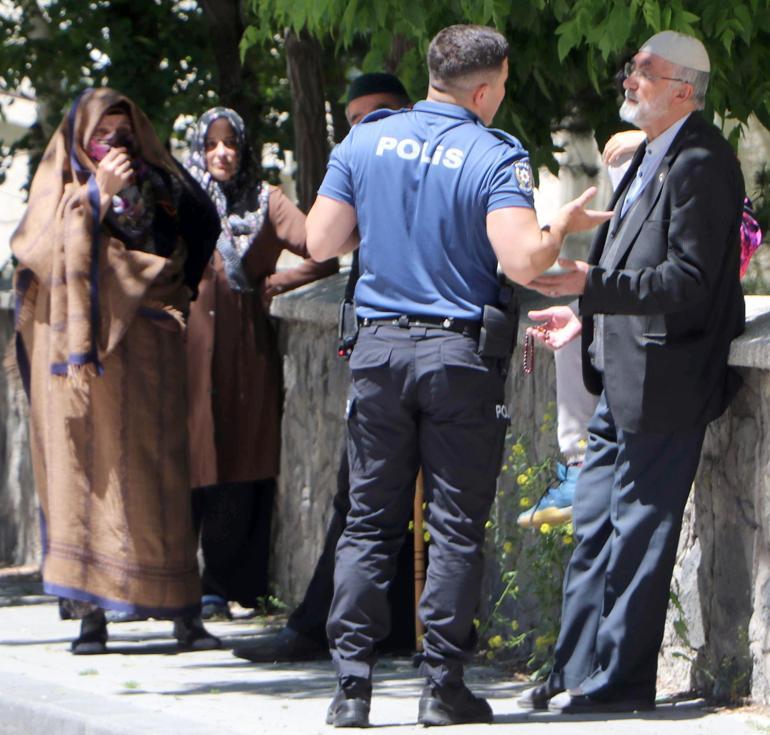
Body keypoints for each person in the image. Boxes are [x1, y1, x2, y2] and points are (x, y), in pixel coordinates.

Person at [305, 24, 610, 727]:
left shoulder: (368, 138)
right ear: (481, 88)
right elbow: (521, 263)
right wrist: (556, 225)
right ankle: (442, 688)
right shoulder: (493, 152)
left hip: (377, 355)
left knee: (368, 524)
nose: (500, 99)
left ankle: (351, 690)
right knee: (454, 526)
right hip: (457, 359)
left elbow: (321, 240)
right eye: (500, 87)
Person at [517, 31, 746, 714]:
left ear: (684, 88)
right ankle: (575, 668)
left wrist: (593, 284)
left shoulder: (702, 162)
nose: (628, 80)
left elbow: (688, 280)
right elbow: (635, 264)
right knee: (593, 525)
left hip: (667, 379)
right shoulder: (650, 154)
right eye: (630, 68)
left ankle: (619, 681)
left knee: (640, 533)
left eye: (643, 71)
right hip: (620, 373)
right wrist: (591, 313)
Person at [11, 87, 222, 653]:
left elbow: (200, 225)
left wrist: (169, 289)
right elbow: (38, 256)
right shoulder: (60, 185)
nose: (114, 143)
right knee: (88, 481)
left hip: (150, 352)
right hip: (80, 369)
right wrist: (95, 201)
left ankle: (184, 613)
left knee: (162, 480)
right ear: (82, 137)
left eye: (122, 132)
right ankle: (92, 619)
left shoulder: (161, 184)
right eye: (102, 133)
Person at [233, 73, 415, 661]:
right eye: (357, 121)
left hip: (425, 354)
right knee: (364, 497)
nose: (368, 130)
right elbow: (325, 242)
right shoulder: (364, 170)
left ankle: (332, 630)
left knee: (379, 502)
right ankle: (359, 627)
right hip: (379, 354)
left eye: (380, 115)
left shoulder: (432, 170)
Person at [185, 107, 339, 620]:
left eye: (230, 143)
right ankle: (177, 581)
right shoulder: (181, 202)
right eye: (210, 144)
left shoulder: (266, 201)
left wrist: (273, 284)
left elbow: (322, 251)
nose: (221, 153)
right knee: (186, 459)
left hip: (244, 353)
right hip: (184, 351)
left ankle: (229, 584)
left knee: (239, 462)